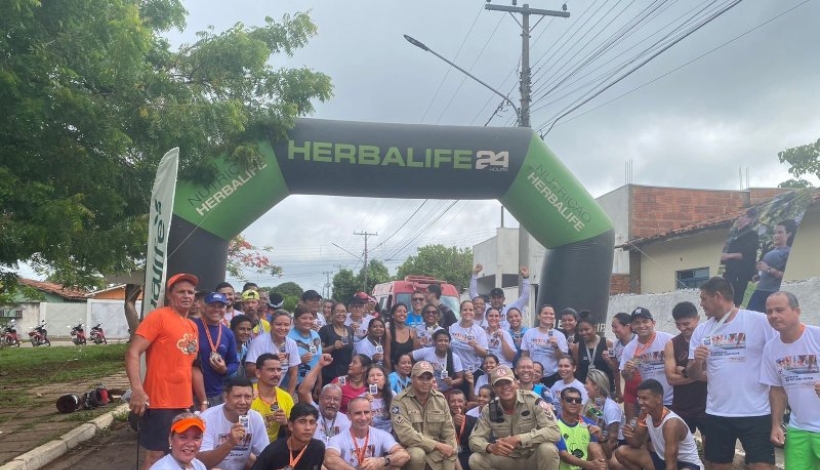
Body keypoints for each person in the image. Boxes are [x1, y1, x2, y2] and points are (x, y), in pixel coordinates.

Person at [687, 276, 776, 470]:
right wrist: (697, 362)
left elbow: (780, 352)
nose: (701, 304)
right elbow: (693, 375)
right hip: (718, 412)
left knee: (762, 466)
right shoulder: (701, 331)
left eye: (704, 298)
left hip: (756, 411)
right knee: (717, 466)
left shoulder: (759, 321)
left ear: (718, 296)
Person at [126, 273, 202, 470]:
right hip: (160, 402)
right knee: (156, 456)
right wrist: (137, 390)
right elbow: (133, 352)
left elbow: (190, 366)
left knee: (181, 454)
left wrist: (201, 400)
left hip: (184, 402)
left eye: (190, 292)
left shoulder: (193, 325)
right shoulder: (159, 317)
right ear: (170, 295)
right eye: (181, 291)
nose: (186, 296)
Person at [760, 291, 820, 469]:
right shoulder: (771, 349)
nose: (773, 315)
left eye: (779, 310)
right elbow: (777, 389)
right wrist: (776, 425)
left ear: (797, 311)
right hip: (798, 428)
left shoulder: (817, 337)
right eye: (769, 311)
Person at [468, 365, 561, 470]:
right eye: (499, 384)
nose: (504, 387)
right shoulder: (491, 409)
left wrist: (519, 439)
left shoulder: (533, 400)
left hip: (532, 456)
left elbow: (554, 431)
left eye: (508, 382)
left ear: (516, 383)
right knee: (475, 459)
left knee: (548, 449)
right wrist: (490, 447)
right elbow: (474, 439)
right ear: (494, 389)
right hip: (507, 458)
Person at [615, 379, 704, 470]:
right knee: (621, 452)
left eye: (644, 398)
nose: (640, 402)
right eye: (639, 398)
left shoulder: (671, 424)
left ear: (658, 398)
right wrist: (630, 436)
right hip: (662, 460)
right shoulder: (644, 414)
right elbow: (636, 444)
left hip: (688, 464)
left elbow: (672, 465)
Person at [391, 361, 458, 470]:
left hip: (436, 453)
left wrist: (449, 451)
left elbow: (449, 432)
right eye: (421, 378)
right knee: (417, 454)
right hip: (410, 450)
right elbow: (406, 435)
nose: (425, 382)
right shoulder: (400, 401)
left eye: (428, 378)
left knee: (452, 447)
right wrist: (438, 446)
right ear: (412, 379)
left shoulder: (440, 399)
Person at [198, 377, 269, 470]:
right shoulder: (207, 418)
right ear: (226, 397)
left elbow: (265, 456)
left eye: (247, 397)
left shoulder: (255, 418)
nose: (243, 402)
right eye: (237, 396)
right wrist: (230, 443)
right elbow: (201, 462)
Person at [325, 397, 410, 469]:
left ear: (372, 414)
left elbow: (404, 455)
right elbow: (329, 459)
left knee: (394, 466)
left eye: (366, 412)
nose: (363, 417)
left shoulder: (382, 435)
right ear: (349, 416)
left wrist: (382, 461)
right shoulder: (338, 439)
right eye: (358, 413)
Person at [663, 301, 707, 439]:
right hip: (682, 404)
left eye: (686, 324)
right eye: (678, 324)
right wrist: (696, 374)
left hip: (707, 403)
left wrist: (682, 371)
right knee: (679, 443)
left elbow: (714, 375)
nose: (682, 328)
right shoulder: (672, 343)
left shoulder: (708, 339)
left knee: (710, 445)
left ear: (697, 319)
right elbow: (671, 379)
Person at [620, 307, 674, 406]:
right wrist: (627, 371)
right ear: (632, 326)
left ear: (653, 323)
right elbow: (629, 378)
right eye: (637, 323)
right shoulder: (629, 348)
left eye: (645, 321)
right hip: (651, 402)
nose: (641, 325)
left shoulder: (668, 339)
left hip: (674, 399)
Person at [193, 292, 239, 407]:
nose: (216, 309)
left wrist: (225, 369)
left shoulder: (228, 333)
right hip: (191, 393)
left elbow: (234, 362)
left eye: (220, 306)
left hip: (217, 393)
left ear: (225, 309)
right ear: (204, 307)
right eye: (212, 306)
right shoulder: (192, 326)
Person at [250, 403, 326, 470]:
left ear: (316, 426)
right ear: (291, 425)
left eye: (312, 422)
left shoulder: (318, 448)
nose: (308, 428)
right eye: (302, 422)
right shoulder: (273, 451)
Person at [297, 354, 352, 443]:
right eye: (328, 398)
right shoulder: (312, 411)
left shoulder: (346, 421)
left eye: (336, 399)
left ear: (340, 403)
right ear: (320, 399)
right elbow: (303, 390)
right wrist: (319, 365)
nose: (332, 402)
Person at [747, 219, 797, 313]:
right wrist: (759, 276)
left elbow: (787, 276)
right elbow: (766, 270)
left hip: (772, 293)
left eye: (780, 232)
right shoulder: (772, 250)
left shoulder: (788, 252)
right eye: (775, 232)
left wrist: (768, 269)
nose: (776, 235)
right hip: (759, 290)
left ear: (789, 234)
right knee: (749, 317)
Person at [245, 311, 300, 395]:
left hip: (274, 390)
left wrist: (289, 397)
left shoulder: (291, 343)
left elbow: (294, 373)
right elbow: (248, 371)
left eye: (286, 325)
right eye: (278, 324)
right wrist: (271, 362)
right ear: (271, 325)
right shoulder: (259, 342)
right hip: (255, 390)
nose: (282, 328)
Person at [555, 387, 607, 470]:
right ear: (561, 402)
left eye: (577, 400)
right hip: (568, 468)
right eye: (569, 399)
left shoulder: (590, 424)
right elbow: (563, 455)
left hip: (587, 466)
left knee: (594, 446)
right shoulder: (554, 425)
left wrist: (601, 438)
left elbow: (607, 455)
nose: (574, 402)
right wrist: (590, 465)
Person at [582, 369, 624, 467]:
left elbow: (612, 441)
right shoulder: (590, 402)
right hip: (595, 441)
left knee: (598, 454)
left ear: (596, 385)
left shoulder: (611, 408)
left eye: (587, 383)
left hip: (613, 447)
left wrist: (603, 455)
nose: (584, 386)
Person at [522, 305, 569, 387]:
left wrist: (556, 347)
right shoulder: (529, 333)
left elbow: (563, 359)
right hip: (533, 375)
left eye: (551, 314)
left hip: (552, 377)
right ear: (538, 316)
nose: (548, 316)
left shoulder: (560, 336)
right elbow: (524, 355)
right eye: (545, 313)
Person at [604, 312, 639, 421]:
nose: (613, 330)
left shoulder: (639, 340)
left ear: (628, 326)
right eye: (612, 327)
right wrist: (618, 390)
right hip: (629, 389)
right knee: (631, 420)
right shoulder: (614, 345)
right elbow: (615, 369)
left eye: (615, 327)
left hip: (643, 386)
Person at [251, 354, 295, 441]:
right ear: (258, 373)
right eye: (271, 370)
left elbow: (294, 435)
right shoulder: (247, 395)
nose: (276, 374)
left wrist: (285, 423)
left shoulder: (286, 397)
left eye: (279, 370)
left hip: (273, 447)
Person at [721, 207, 759, 306]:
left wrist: (728, 256)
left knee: (735, 301)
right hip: (729, 272)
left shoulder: (752, 235)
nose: (739, 218)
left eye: (742, 216)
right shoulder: (734, 233)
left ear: (749, 219)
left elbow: (746, 255)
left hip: (740, 274)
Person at [413, 329, 464, 394]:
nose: (443, 343)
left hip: (445, 390)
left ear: (449, 342)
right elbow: (408, 356)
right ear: (434, 342)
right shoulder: (426, 351)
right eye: (440, 340)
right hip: (426, 389)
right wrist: (416, 371)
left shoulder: (454, 357)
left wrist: (452, 382)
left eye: (446, 341)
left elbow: (460, 379)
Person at [573, 312, 613, 389]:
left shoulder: (608, 343)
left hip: (605, 388)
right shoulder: (577, 347)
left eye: (586, 329)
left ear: (595, 328)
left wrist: (608, 360)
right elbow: (577, 368)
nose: (583, 333)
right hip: (584, 388)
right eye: (581, 330)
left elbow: (615, 369)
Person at [319, 301, 355, 385]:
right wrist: (333, 347)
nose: (340, 314)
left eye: (343, 311)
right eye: (337, 311)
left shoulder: (350, 330)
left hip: (346, 375)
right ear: (332, 313)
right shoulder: (325, 330)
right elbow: (318, 351)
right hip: (328, 375)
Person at [450, 300, 488, 376]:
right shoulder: (453, 327)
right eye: (465, 310)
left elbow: (485, 354)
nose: (468, 312)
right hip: (457, 370)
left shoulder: (479, 330)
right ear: (460, 312)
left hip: (474, 371)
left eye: (471, 310)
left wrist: (476, 346)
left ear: (474, 312)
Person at [288, 304, 323, 387]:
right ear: (295, 320)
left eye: (311, 318)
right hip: (293, 385)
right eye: (304, 318)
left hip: (312, 383)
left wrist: (319, 382)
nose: (308, 321)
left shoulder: (315, 335)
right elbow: (282, 365)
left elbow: (318, 360)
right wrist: (300, 361)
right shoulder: (288, 337)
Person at [448, 389, 478, 470]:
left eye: (460, 401)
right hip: (448, 454)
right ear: (448, 403)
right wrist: (452, 425)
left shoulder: (474, 420)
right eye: (452, 401)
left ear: (466, 403)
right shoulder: (443, 421)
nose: (456, 404)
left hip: (468, 455)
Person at [384, 302, 416, 371]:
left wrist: (412, 372)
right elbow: (386, 357)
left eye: (405, 312)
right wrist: (390, 374)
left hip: (409, 371)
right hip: (394, 371)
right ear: (392, 315)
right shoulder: (388, 332)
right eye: (399, 311)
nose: (402, 314)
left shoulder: (412, 332)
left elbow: (416, 355)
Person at [365, 364, 394, 434]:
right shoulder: (361, 399)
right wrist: (366, 404)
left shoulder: (393, 395)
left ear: (385, 379)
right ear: (367, 380)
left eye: (379, 375)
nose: (375, 378)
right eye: (372, 375)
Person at [229, 315, 253, 380]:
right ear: (232, 330)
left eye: (249, 329)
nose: (246, 332)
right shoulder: (225, 350)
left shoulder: (244, 350)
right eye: (242, 329)